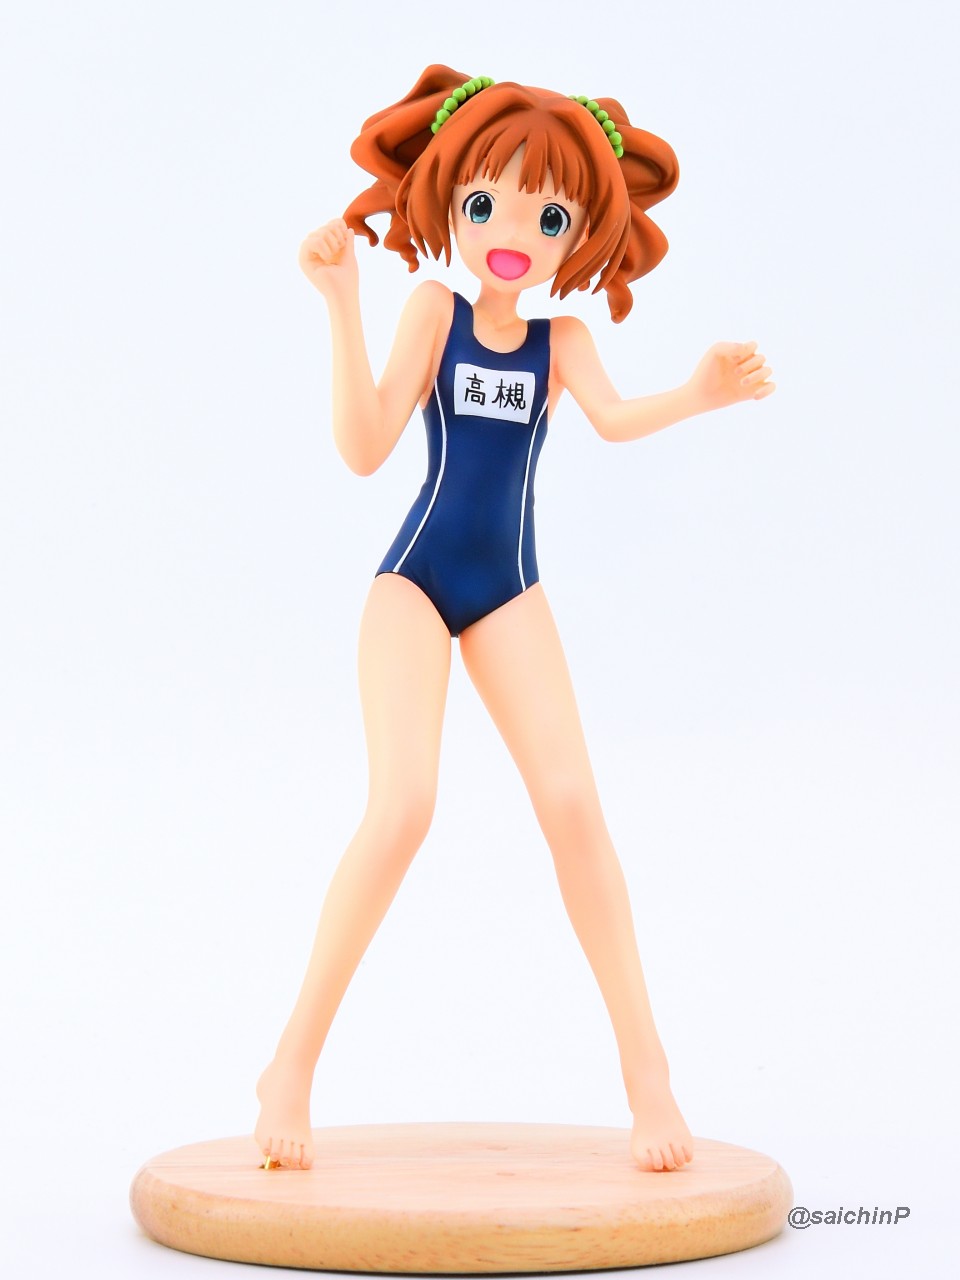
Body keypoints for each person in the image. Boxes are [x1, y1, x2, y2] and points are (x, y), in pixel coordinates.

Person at [255, 65, 775, 1175]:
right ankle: (288, 1065)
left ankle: (648, 1074)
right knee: (403, 805)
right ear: (449, 198)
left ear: (581, 233)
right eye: (486, 204)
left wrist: (701, 394)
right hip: (414, 581)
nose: (511, 238)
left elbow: (619, 420)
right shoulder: (432, 309)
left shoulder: (564, 338)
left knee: (575, 804)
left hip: (510, 590)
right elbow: (364, 447)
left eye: (549, 219)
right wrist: (340, 304)